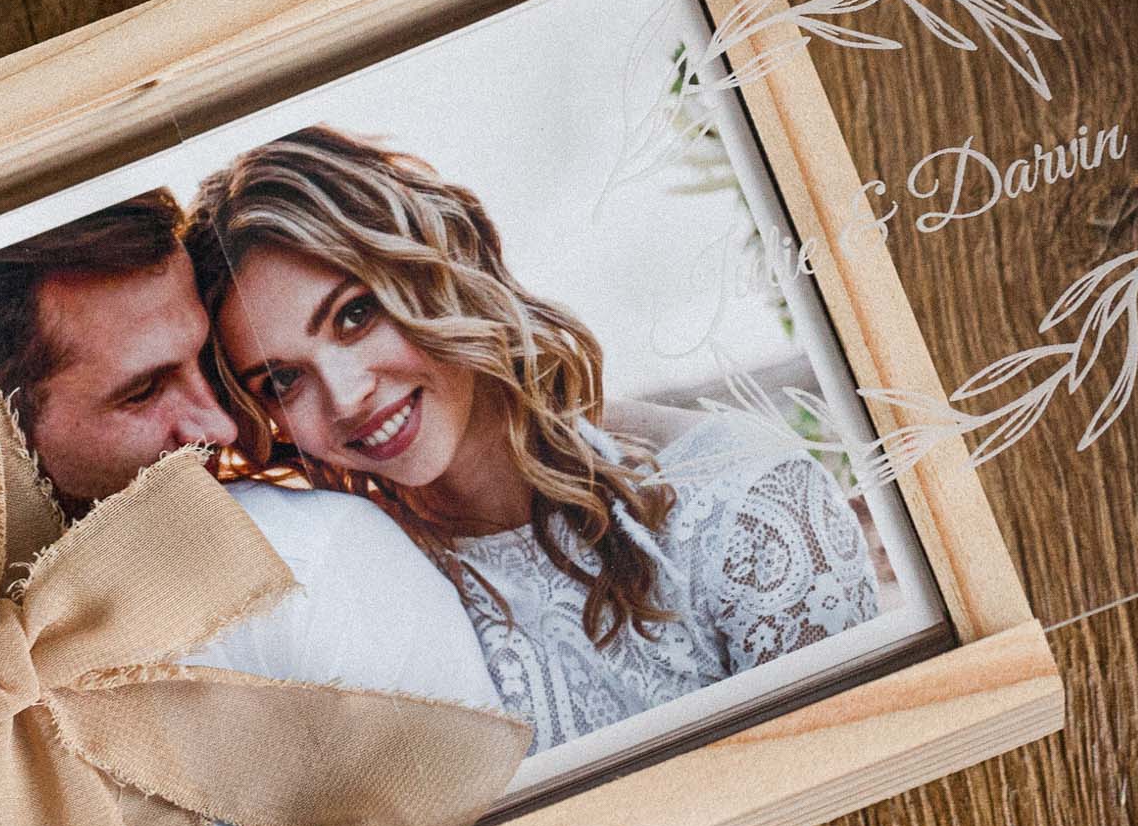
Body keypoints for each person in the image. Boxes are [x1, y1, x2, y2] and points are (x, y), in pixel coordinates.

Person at [186, 127, 880, 755]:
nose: (344, 395)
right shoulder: (344, 591)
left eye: (356, 315)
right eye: (281, 381)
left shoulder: (742, 503)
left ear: (439, 269)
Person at [0, 193, 509, 826]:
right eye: (143, 392)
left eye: (203, 364)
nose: (218, 426)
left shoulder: (310, 562)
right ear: (1, 434)